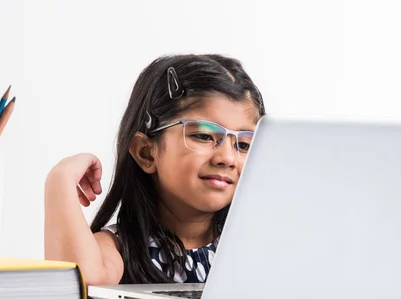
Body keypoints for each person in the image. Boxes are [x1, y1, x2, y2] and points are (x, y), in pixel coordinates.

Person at [44, 53, 266, 286]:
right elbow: (80, 284)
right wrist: (60, 180)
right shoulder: (117, 248)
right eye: (203, 135)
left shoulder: (252, 248)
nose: (227, 158)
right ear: (146, 153)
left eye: (243, 145)